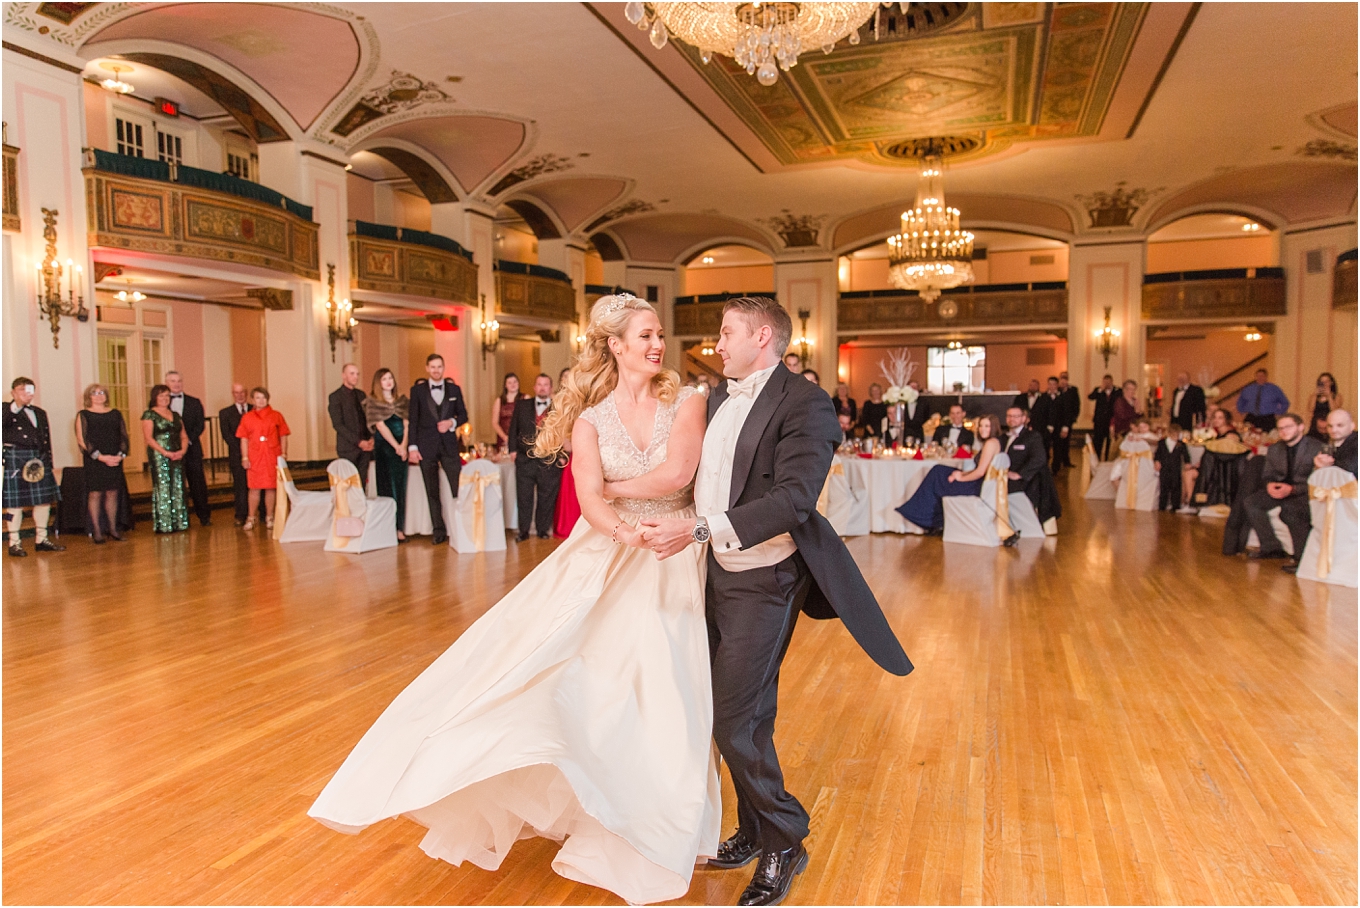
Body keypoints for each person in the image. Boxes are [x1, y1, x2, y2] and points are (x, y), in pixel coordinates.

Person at [310, 293, 720, 905]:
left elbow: (678, 475)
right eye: (645, 336)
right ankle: (588, 796)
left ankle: (662, 823)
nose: (657, 346)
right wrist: (621, 527)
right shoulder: (590, 420)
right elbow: (590, 502)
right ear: (615, 344)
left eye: (659, 335)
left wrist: (616, 493)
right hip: (612, 551)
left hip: (674, 551)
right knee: (557, 675)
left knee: (666, 686)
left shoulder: (686, 401)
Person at [637, 295, 911, 907]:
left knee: (736, 719)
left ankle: (786, 836)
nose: (717, 342)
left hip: (766, 577)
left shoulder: (806, 404)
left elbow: (793, 501)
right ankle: (758, 827)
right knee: (726, 713)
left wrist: (701, 529)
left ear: (762, 336)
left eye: (727, 332)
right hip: (709, 573)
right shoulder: (712, 401)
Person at [898, 413, 1016, 543]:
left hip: (976, 486)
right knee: (939, 472)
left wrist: (961, 478)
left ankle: (924, 517)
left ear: (994, 427)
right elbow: (981, 470)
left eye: (987, 426)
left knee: (937, 474)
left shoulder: (990, 443)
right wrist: (960, 474)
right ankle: (930, 520)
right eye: (981, 426)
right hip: (977, 482)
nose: (983, 429)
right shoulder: (993, 442)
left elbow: (980, 472)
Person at [1241, 413, 1321, 573]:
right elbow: (1268, 474)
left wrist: (1293, 489)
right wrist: (1270, 485)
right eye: (1281, 428)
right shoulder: (1275, 448)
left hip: (1303, 492)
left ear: (1301, 427)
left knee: (1291, 511)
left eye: (1288, 427)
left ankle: (1301, 558)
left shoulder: (1316, 447)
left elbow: (1318, 480)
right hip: (1280, 489)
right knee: (1251, 502)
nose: (1283, 431)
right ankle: (1271, 547)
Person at [408, 354, 468, 546]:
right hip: (426, 447)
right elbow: (413, 420)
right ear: (427, 368)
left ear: (444, 368)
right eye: (432, 367)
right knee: (432, 491)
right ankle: (438, 531)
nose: (436, 370)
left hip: (449, 446)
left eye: (439, 367)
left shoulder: (454, 389)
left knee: (458, 488)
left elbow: (463, 415)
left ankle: (462, 528)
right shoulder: (417, 391)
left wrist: (451, 422)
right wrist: (412, 447)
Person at [4, 377, 65, 556]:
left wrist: (50, 462)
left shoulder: (39, 412)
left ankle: (41, 539)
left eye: (30, 390)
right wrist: (15, 406)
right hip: (16, 458)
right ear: (13, 392)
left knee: (44, 500)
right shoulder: (5, 410)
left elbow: (46, 439)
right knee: (14, 503)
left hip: (39, 458)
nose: (26, 394)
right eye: (22, 390)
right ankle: (14, 543)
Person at [508, 373, 563, 541]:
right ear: (534, 387)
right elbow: (513, 429)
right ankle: (523, 531)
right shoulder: (522, 405)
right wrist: (512, 450)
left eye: (546, 385)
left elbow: (563, 432)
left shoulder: (558, 407)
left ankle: (542, 530)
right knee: (524, 496)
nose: (542, 387)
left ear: (550, 388)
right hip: (525, 459)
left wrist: (561, 455)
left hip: (548, 459)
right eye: (539, 384)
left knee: (546, 497)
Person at [76, 383, 128, 543]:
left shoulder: (115, 413)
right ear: (88, 397)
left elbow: (123, 435)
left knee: (113, 493)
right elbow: (82, 439)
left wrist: (121, 455)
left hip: (114, 458)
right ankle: (97, 531)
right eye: (95, 393)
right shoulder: (83, 414)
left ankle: (113, 529)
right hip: (95, 459)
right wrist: (100, 457)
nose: (99, 395)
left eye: (102, 392)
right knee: (95, 494)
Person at [365, 368, 409, 543]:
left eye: (390, 378)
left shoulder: (402, 401)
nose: (389, 381)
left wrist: (404, 445)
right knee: (387, 487)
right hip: (385, 446)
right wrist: (396, 446)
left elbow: (407, 425)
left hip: (401, 447)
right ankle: (389, 527)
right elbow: (381, 427)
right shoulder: (373, 402)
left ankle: (400, 527)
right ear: (378, 383)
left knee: (401, 486)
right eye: (384, 379)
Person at [235, 387, 289, 532]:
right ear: (253, 400)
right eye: (258, 397)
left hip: (272, 455)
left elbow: (283, 435)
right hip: (255, 456)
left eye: (263, 397)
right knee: (254, 488)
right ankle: (251, 517)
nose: (261, 400)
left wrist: (283, 453)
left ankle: (269, 517)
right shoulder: (247, 417)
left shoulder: (276, 415)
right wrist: (245, 457)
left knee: (271, 488)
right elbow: (244, 438)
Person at [141, 384, 190, 535]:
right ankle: (165, 523)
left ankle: (180, 521)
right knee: (163, 486)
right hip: (159, 454)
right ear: (155, 397)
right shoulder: (149, 414)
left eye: (167, 396)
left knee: (178, 485)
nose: (164, 399)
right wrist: (165, 452)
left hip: (177, 453)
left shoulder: (175, 415)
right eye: (161, 395)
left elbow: (183, 436)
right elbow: (149, 438)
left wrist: (182, 451)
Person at [1002, 406, 1062, 527]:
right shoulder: (1004, 437)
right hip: (1004, 477)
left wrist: (1020, 474)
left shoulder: (1032, 436)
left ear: (1024, 418)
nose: (1011, 419)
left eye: (1015, 416)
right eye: (1009, 416)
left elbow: (1039, 458)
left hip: (1026, 481)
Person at [165, 371, 211, 526]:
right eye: (172, 381)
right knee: (176, 484)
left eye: (179, 381)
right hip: (170, 451)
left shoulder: (194, 402)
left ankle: (204, 516)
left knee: (198, 484)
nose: (176, 384)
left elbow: (200, 425)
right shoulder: (160, 404)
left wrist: (186, 441)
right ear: (167, 383)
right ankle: (178, 518)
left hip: (192, 450)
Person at [218, 384, 258, 526]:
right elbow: (227, 435)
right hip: (236, 454)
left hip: (257, 454)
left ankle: (261, 513)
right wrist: (243, 451)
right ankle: (241, 515)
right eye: (236, 393)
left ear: (246, 393)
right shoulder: (225, 413)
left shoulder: (256, 410)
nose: (239, 395)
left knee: (258, 484)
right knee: (240, 485)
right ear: (233, 394)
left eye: (242, 392)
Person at [328, 363, 373, 477]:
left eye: (357, 374)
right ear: (344, 375)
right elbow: (338, 424)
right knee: (348, 482)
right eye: (352, 373)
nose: (356, 377)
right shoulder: (335, 396)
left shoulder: (361, 394)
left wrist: (371, 438)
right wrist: (358, 442)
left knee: (362, 482)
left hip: (365, 447)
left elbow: (368, 418)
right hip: (348, 448)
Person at [1314, 408, 1357, 475]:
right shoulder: (1328, 443)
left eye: (1340, 425)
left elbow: (1351, 470)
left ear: (1352, 426)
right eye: (1330, 426)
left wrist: (1328, 464)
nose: (1334, 430)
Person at [1029, 376, 1061, 463]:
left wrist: (1065, 426)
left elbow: (1066, 412)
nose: (1051, 386)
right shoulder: (1042, 397)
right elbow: (1035, 412)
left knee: (1057, 448)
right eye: (1049, 384)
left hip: (1058, 426)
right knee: (1045, 447)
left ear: (1057, 385)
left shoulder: (1062, 396)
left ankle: (1056, 468)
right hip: (1044, 428)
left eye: (1054, 384)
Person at [490, 373, 522, 454]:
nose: (513, 384)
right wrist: (505, 437)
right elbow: (494, 422)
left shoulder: (525, 398)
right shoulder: (499, 401)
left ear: (518, 383)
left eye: (515, 382)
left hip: (521, 438)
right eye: (510, 382)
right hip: (504, 437)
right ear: (505, 385)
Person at [1087, 374, 1117, 460]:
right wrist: (1100, 390)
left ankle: (1108, 458)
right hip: (1099, 421)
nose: (1107, 384)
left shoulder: (1117, 391)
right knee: (1098, 441)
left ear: (1112, 382)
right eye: (1105, 382)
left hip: (1111, 421)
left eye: (1109, 382)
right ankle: (1097, 458)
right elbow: (1090, 397)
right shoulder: (1098, 390)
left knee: (1109, 441)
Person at [1054, 372, 1080, 471]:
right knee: (1058, 442)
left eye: (1065, 379)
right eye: (1062, 379)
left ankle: (1066, 461)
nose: (1063, 381)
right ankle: (1058, 462)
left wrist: (1074, 417)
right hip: (1057, 421)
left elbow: (1077, 405)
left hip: (1068, 420)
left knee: (1066, 441)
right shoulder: (1057, 391)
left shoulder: (1073, 390)